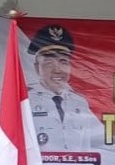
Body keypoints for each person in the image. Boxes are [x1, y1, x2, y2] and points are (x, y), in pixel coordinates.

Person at [27, 24, 104, 152]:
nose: (57, 70)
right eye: (49, 63)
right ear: (37, 68)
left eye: (63, 62)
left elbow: (86, 149)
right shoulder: (25, 102)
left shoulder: (79, 102)